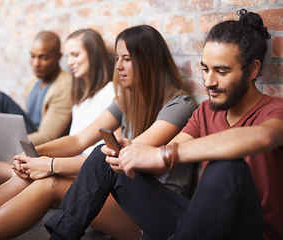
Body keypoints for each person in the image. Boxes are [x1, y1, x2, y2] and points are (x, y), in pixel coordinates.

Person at [46, 9, 283, 240]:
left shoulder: (274, 110)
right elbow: (161, 164)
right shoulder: (205, 112)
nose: (209, 82)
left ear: (252, 69)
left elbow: (263, 138)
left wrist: (164, 154)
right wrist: (136, 154)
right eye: (205, 69)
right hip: (198, 224)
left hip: (249, 231)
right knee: (104, 156)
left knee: (226, 168)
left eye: (221, 71)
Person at [0, 25, 197, 240]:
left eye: (127, 59)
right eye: (117, 59)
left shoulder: (180, 105)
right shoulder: (127, 100)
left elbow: (124, 157)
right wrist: (35, 155)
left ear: (149, 61)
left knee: (50, 182)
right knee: (29, 175)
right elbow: (79, 140)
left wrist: (49, 165)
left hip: (152, 211)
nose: (119, 67)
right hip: (118, 194)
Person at [0, 31, 73, 189]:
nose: (36, 63)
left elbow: (48, 137)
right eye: (33, 56)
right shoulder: (33, 82)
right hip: (24, 142)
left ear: (59, 57)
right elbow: (22, 123)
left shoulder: (65, 85)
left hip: (40, 149)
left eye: (43, 57)